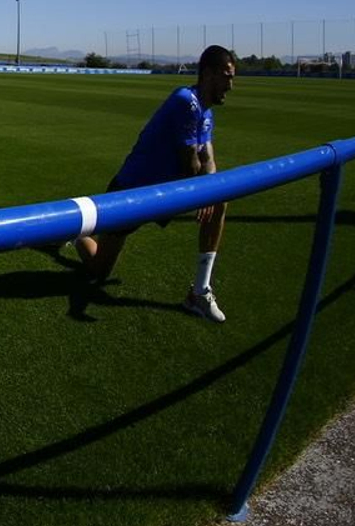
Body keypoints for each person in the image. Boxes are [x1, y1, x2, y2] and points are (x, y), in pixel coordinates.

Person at [70, 45, 237, 321]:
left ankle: (199, 291)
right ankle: (78, 234)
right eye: (226, 77)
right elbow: (191, 165)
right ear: (207, 75)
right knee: (97, 271)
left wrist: (210, 190)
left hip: (163, 194)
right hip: (131, 192)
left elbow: (208, 161)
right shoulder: (186, 102)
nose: (231, 85)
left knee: (220, 198)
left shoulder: (206, 114)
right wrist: (205, 190)